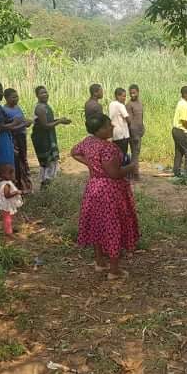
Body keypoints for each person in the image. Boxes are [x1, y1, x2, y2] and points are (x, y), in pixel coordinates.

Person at [71, 114, 139, 280]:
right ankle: (114, 270)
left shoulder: (88, 142)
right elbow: (115, 173)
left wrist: (91, 164)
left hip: (94, 188)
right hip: (109, 191)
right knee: (113, 227)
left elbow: (74, 152)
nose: (112, 127)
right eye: (109, 125)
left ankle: (99, 262)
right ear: (99, 130)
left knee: (97, 224)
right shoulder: (108, 148)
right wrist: (131, 166)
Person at [31, 86, 71, 187]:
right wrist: (59, 121)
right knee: (47, 162)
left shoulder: (45, 106)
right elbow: (45, 125)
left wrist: (60, 120)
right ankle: (45, 185)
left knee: (51, 161)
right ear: (37, 95)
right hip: (42, 138)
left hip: (47, 137)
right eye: (42, 93)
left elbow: (48, 122)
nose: (45, 94)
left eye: (46, 92)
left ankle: (48, 184)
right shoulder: (40, 108)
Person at [3, 88, 33, 194]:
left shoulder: (17, 107)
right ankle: (18, 186)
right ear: (6, 98)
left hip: (22, 137)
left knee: (23, 160)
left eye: (17, 96)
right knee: (17, 162)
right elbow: (9, 128)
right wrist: (23, 124)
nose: (16, 99)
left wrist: (27, 122)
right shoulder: (5, 111)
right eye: (13, 97)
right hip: (14, 139)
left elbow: (21, 120)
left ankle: (26, 186)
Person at [0, 165, 23, 240]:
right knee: (7, 219)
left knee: (8, 218)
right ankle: (8, 233)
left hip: (6, 204)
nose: (12, 175)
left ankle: (9, 229)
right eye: (10, 174)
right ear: (4, 175)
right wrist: (16, 192)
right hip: (6, 205)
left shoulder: (4, 182)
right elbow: (7, 195)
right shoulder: (6, 184)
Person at [172, 86, 187, 178]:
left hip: (175, 130)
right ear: (185, 94)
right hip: (181, 130)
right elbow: (184, 121)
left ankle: (176, 172)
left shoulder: (180, 103)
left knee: (179, 151)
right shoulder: (184, 105)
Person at [126, 84, 144, 180]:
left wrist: (142, 128)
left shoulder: (140, 103)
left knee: (136, 153)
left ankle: (133, 172)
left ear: (138, 92)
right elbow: (129, 121)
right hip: (133, 133)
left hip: (139, 131)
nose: (132, 95)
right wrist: (134, 134)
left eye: (134, 93)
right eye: (131, 93)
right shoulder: (129, 105)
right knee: (135, 153)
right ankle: (135, 173)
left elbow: (141, 117)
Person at [109, 88, 130, 156]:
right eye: (123, 96)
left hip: (114, 133)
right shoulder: (120, 105)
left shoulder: (111, 104)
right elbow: (127, 118)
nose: (125, 98)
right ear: (118, 96)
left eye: (125, 96)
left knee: (116, 154)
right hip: (122, 134)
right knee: (123, 153)